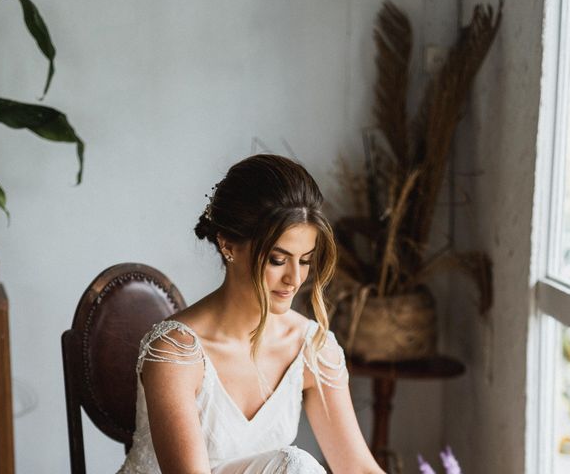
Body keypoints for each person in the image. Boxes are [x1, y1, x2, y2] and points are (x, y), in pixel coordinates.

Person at [118, 154, 385, 474]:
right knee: (294, 466)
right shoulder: (176, 353)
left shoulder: (312, 347)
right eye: (277, 259)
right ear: (228, 244)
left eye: (304, 260)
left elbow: (357, 467)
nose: (294, 279)